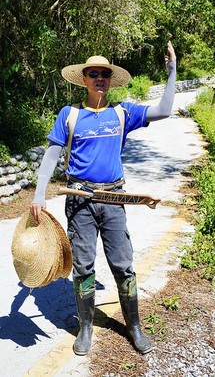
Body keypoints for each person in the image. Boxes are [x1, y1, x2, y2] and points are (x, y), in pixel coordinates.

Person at [30, 41, 176, 356]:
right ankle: (85, 327)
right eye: (93, 73)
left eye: (104, 74)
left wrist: (172, 72)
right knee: (83, 267)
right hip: (79, 199)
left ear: (110, 80)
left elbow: (164, 110)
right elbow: (52, 154)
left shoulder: (123, 112)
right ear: (84, 79)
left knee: (123, 265)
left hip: (113, 199)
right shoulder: (69, 114)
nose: (99, 77)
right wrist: (39, 195)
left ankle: (134, 326)